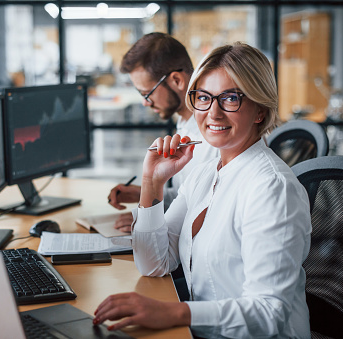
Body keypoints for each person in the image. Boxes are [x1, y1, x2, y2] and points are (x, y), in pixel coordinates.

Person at [93, 42, 312, 338]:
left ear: (260, 110)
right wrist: (152, 183)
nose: (213, 113)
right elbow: (154, 263)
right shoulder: (207, 172)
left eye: (231, 98)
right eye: (204, 98)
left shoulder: (272, 189)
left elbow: (268, 313)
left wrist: (174, 312)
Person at [107, 32, 219, 232]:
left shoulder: (212, 136)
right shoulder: (186, 122)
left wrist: (146, 220)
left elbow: (203, 215)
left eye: (146, 93)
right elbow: (186, 195)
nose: (145, 102)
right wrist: (145, 194)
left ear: (176, 80)